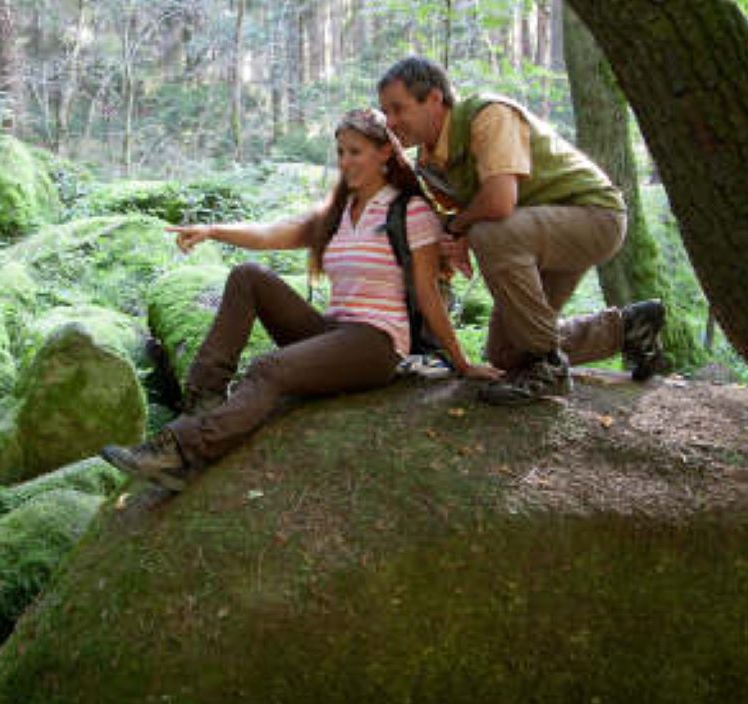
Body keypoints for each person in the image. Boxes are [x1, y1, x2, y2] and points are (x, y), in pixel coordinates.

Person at [101, 108, 500, 492]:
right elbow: (272, 233)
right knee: (247, 277)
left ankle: (184, 450)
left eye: (355, 151)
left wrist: (461, 363)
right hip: (332, 333)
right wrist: (211, 230)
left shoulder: (410, 211)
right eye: (341, 152)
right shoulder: (339, 212)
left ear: (384, 153)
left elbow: (428, 293)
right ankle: (203, 402)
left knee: (269, 369)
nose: (345, 161)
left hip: (376, 343)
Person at [376, 56, 667, 405]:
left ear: (434, 99)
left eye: (398, 109)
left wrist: (460, 228)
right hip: (538, 234)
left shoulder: (488, 115)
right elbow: (465, 213)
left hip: (593, 217)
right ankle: (630, 328)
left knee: (491, 234)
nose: (390, 122)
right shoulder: (430, 161)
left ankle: (549, 366)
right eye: (385, 112)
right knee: (507, 353)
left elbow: (498, 202)